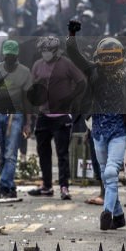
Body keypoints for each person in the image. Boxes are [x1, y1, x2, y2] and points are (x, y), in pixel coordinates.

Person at [65, 20, 126, 230]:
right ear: (99, 60)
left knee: (111, 172)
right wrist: (72, 34)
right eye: (105, 59)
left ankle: (107, 212)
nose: (108, 64)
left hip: (119, 129)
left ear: (120, 60)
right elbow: (74, 54)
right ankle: (119, 216)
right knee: (104, 172)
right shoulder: (93, 72)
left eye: (112, 59)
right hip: (98, 129)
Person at [28, 35, 86, 200]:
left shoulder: (66, 64)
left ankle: (64, 187)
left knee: (62, 153)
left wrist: (70, 98)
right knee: (43, 152)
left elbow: (81, 82)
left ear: (55, 50)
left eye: (47, 51)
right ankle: (46, 185)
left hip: (61, 116)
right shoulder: (37, 65)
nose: (45, 53)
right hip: (43, 115)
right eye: (43, 51)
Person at [0, 40, 33, 199]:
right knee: (0, 153)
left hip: (15, 116)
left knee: (11, 153)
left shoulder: (25, 72)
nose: (9, 59)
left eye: (12, 57)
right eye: (7, 56)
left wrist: (28, 122)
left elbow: (28, 99)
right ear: (3, 55)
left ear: (16, 56)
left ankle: (4, 185)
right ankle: (10, 185)